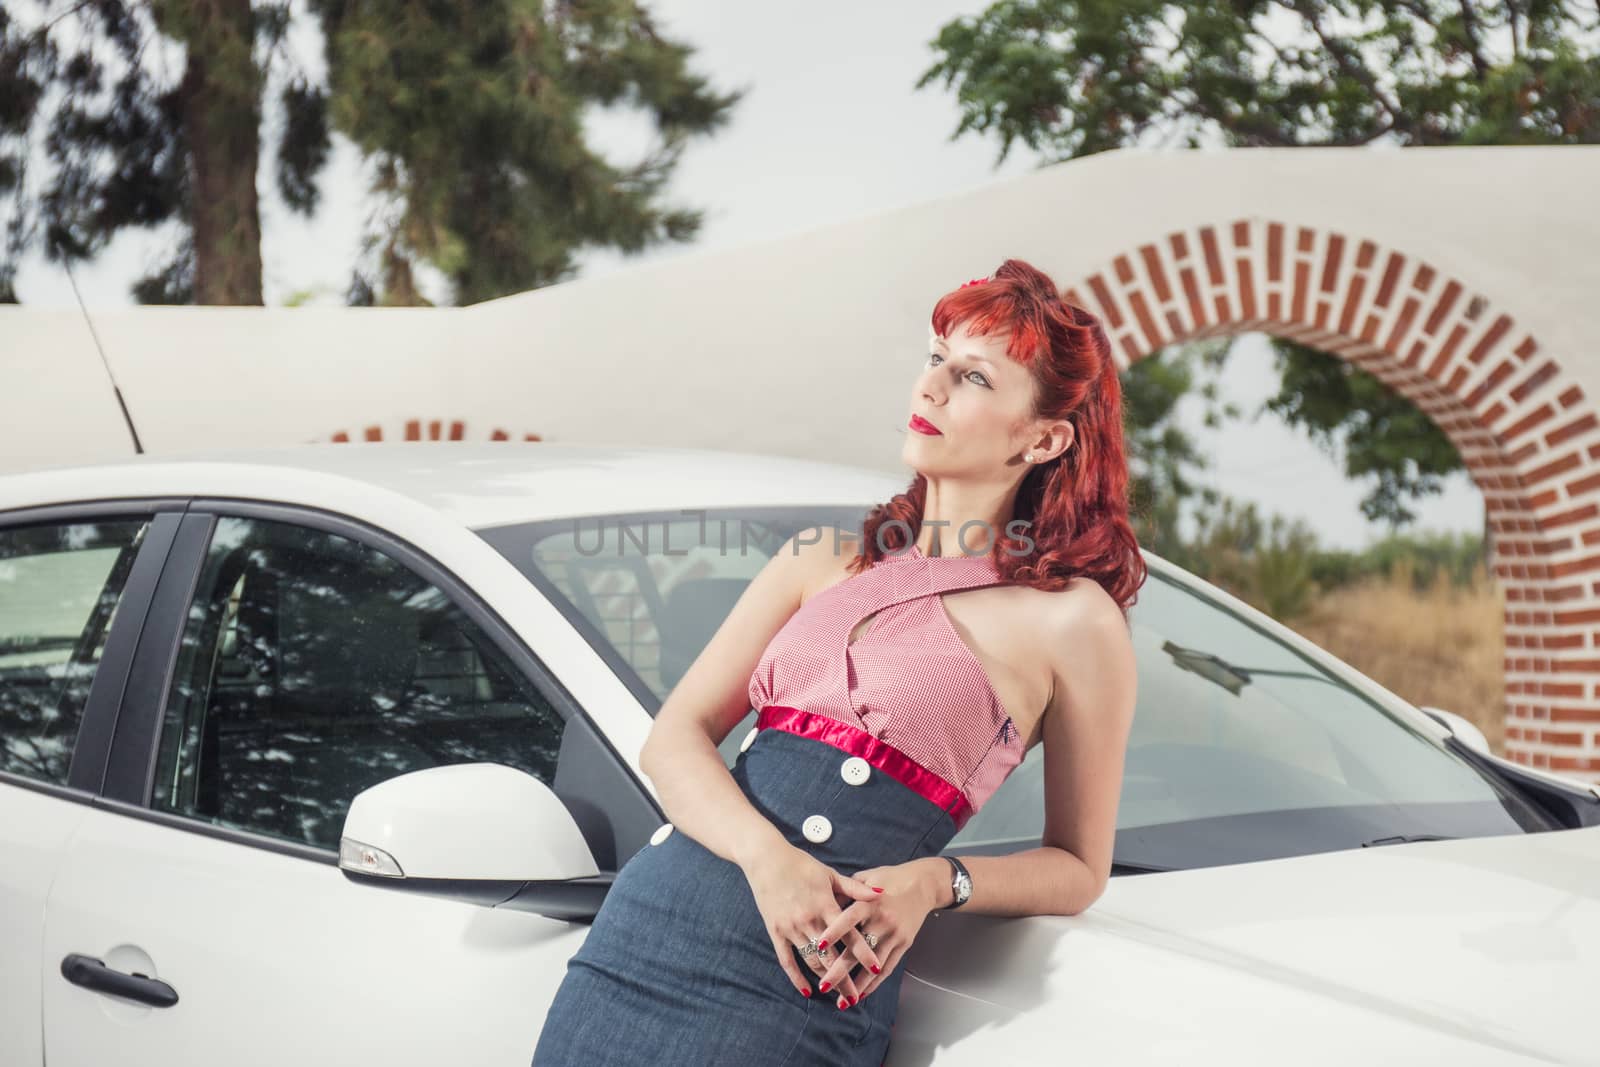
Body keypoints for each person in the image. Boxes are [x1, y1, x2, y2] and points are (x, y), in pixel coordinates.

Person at [532, 258, 1145, 1065]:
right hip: (644, 938)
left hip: (800, 982)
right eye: (934, 359)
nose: (930, 388)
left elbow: (1078, 864)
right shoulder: (819, 559)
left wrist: (938, 882)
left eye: (971, 376)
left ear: (1045, 435)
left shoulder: (1073, 621)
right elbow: (672, 739)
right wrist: (769, 860)